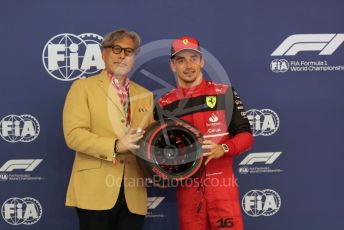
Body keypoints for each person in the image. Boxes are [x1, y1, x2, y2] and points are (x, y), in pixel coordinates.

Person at [154, 36, 254, 230]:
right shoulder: (163, 105)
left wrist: (223, 148)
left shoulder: (224, 93)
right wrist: (160, 173)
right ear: (172, 66)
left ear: (202, 61)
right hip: (188, 193)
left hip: (222, 189)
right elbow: (160, 152)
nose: (188, 65)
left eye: (193, 58)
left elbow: (246, 136)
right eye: (181, 60)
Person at [63, 29, 154, 230]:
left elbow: (150, 140)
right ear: (104, 54)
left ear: (134, 58)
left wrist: (161, 166)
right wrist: (115, 145)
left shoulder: (146, 95)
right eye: (117, 49)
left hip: (134, 191)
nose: (122, 55)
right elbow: (74, 135)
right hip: (94, 189)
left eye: (128, 51)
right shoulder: (82, 87)